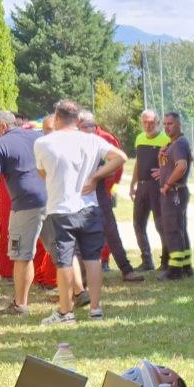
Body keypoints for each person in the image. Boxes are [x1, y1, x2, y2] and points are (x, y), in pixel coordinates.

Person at [34, 100, 127, 324]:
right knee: (92, 258)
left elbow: (42, 173)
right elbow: (121, 157)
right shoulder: (92, 140)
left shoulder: (43, 142)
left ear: (56, 117)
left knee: (64, 261)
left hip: (60, 208)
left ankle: (66, 312)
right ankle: (96, 309)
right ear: (77, 120)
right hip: (89, 206)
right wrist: (95, 177)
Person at [0, 111, 48, 316]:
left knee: (22, 255)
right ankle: (79, 293)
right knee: (62, 251)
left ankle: (20, 305)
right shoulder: (38, 137)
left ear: (3, 127)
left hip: (25, 204)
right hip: (51, 198)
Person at [77, 110, 144, 282]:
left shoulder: (103, 139)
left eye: (90, 126)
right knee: (79, 234)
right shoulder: (73, 141)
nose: (88, 129)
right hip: (79, 194)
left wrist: (100, 177)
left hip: (99, 192)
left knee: (111, 230)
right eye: (83, 126)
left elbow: (118, 163)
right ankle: (82, 277)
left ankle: (126, 269)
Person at [154, 112, 193, 280]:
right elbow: (167, 165)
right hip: (176, 192)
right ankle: (186, 266)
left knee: (172, 230)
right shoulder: (174, 144)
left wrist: (168, 184)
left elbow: (181, 166)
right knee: (179, 229)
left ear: (179, 125)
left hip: (173, 192)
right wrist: (161, 155)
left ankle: (175, 271)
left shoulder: (179, 144)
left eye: (170, 123)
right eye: (165, 124)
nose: (167, 127)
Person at [129, 109, 170, 272]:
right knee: (138, 224)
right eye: (145, 122)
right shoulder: (139, 138)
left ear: (158, 123)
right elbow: (138, 163)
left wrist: (164, 171)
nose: (148, 125)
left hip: (157, 187)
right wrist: (132, 183)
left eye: (152, 122)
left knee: (160, 224)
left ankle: (166, 261)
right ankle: (147, 260)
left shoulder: (166, 139)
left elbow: (179, 160)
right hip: (142, 186)